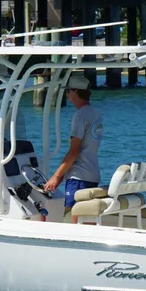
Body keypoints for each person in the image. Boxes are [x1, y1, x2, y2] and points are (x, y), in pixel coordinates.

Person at [44, 75, 103, 220]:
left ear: (75, 91)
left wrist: (56, 177)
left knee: (71, 215)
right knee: (87, 217)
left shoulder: (80, 116)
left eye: (68, 91)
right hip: (93, 173)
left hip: (79, 176)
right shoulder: (96, 113)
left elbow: (74, 151)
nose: (67, 95)